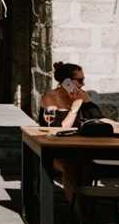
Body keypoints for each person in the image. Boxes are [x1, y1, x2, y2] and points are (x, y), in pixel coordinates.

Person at [40, 62, 99, 206]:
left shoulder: (80, 96)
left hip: (79, 146)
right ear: (66, 82)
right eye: (80, 80)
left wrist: (87, 101)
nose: (83, 84)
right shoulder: (50, 97)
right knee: (71, 166)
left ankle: (83, 206)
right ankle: (76, 209)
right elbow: (57, 128)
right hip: (55, 149)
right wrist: (74, 108)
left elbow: (97, 117)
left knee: (87, 164)